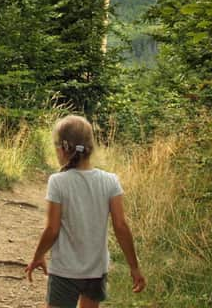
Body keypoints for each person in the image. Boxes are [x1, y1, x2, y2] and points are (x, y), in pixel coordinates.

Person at [25, 115, 146, 307]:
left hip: (64, 270)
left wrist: (38, 256)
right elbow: (121, 226)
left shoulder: (58, 182)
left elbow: (52, 229)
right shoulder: (110, 181)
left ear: (63, 148)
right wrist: (134, 267)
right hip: (96, 271)